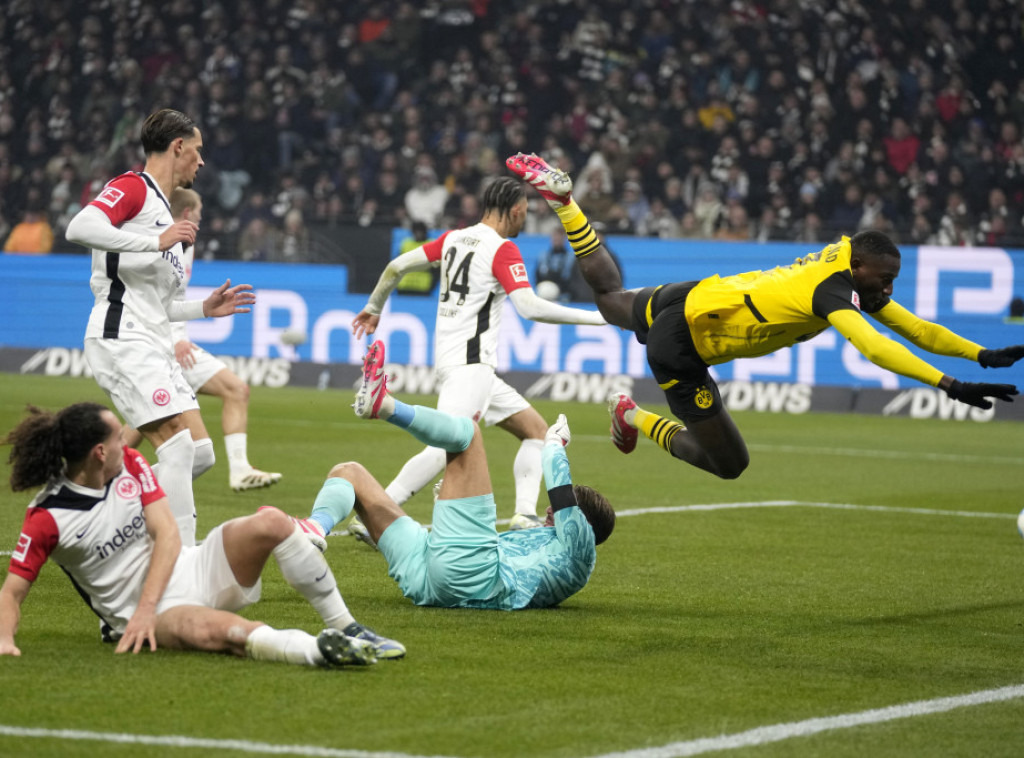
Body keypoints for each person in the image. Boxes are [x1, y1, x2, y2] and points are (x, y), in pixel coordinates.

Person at [507, 152, 1024, 480]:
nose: (887, 290)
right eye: (883, 280)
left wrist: (980, 355)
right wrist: (949, 384)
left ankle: (565, 202)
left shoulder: (847, 263)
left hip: (700, 294)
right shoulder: (833, 290)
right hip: (683, 343)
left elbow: (915, 328)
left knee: (608, 298)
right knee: (730, 463)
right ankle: (632, 416)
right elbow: (874, 347)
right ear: (859, 268)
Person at [0, 402, 404, 664]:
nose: (127, 441)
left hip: (189, 569)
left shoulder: (132, 465)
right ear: (99, 453)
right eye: (118, 437)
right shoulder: (47, 517)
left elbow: (168, 534)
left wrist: (147, 604)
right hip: (152, 616)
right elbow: (12, 592)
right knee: (222, 633)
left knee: (274, 522)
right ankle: (319, 652)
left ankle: (346, 626)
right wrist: (4, 640)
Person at [350, 176, 606, 535]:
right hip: (472, 366)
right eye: (525, 212)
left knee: (536, 432)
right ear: (515, 210)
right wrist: (598, 318)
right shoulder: (502, 249)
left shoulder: (452, 239)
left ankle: (523, 514)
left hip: (459, 363)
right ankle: (375, 514)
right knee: (445, 446)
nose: (525, 219)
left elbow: (396, 267)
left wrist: (374, 306)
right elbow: (529, 307)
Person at [293, 341, 614, 609]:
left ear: (583, 524)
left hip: (473, 576)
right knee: (349, 473)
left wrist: (554, 443)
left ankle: (385, 406)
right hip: (430, 579)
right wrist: (450, 519)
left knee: (469, 433)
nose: (550, 508)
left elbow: (560, 490)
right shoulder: (551, 544)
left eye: (563, 510)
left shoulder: (580, 550)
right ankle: (315, 527)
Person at [65, 109, 256, 546]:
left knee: (200, 454)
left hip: (154, 341)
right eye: (198, 151)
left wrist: (204, 309)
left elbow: (161, 306)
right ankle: (181, 557)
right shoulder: (133, 187)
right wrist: (156, 241)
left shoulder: (165, 215)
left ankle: (102, 511)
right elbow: (80, 227)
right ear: (178, 147)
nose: (201, 161)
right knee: (177, 448)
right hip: (122, 335)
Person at [122, 189, 281, 492]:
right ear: (187, 212)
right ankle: (120, 486)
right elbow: (154, 297)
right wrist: (176, 339)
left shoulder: (185, 244)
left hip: (170, 343)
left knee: (147, 413)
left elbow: (174, 297)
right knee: (232, 391)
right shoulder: (164, 242)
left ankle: (107, 477)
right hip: (163, 345)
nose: (201, 215)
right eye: (199, 210)